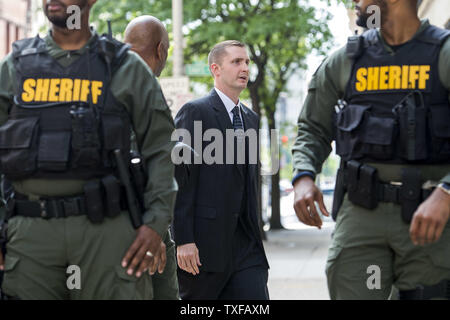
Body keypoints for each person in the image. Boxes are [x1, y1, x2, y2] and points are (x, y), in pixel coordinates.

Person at [0, 0, 176, 300]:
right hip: (31, 235)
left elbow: (161, 147)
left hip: (107, 233)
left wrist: (155, 223)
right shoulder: (15, 67)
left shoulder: (125, 67)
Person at [292, 0, 450, 300]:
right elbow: (313, 128)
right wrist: (303, 177)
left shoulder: (443, 54)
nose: (356, 2)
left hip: (432, 217)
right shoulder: (347, 60)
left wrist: (446, 193)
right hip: (362, 213)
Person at [172, 40, 269, 300]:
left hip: (247, 248)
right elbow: (181, 180)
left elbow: (248, 182)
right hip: (204, 248)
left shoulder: (251, 119)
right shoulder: (195, 112)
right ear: (216, 69)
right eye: (236, 62)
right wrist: (183, 239)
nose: (245, 68)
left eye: (247, 62)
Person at [124, 15, 179, 300]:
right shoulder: (144, 87)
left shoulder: (103, 81)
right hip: (144, 229)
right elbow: (146, 162)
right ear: (160, 51)